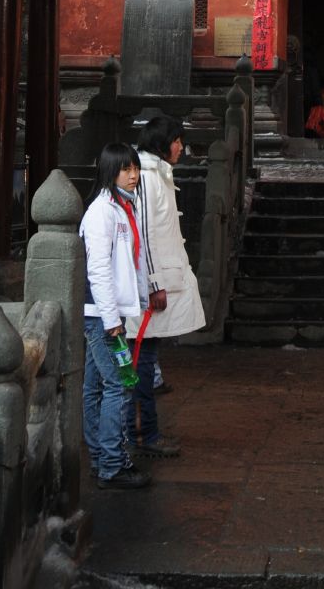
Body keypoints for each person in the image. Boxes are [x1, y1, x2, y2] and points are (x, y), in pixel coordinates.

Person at [128, 116, 206, 459]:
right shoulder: (145, 177)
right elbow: (143, 232)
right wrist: (154, 283)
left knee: (147, 357)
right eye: (176, 140)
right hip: (147, 286)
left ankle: (142, 430)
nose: (180, 147)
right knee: (141, 361)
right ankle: (143, 431)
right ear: (162, 142)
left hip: (154, 280)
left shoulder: (157, 173)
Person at [80, 142, 152, 490]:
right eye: (125, 169)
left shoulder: (124, 207)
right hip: (102, 316)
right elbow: (99, 271)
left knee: (96, 386)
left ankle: (100, 456)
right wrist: (112, 320)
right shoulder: (101, 212)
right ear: (110, 171)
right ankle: (111, 462)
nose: (133, 174)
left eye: (135, 167)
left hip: (110, 313)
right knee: (120, 385)